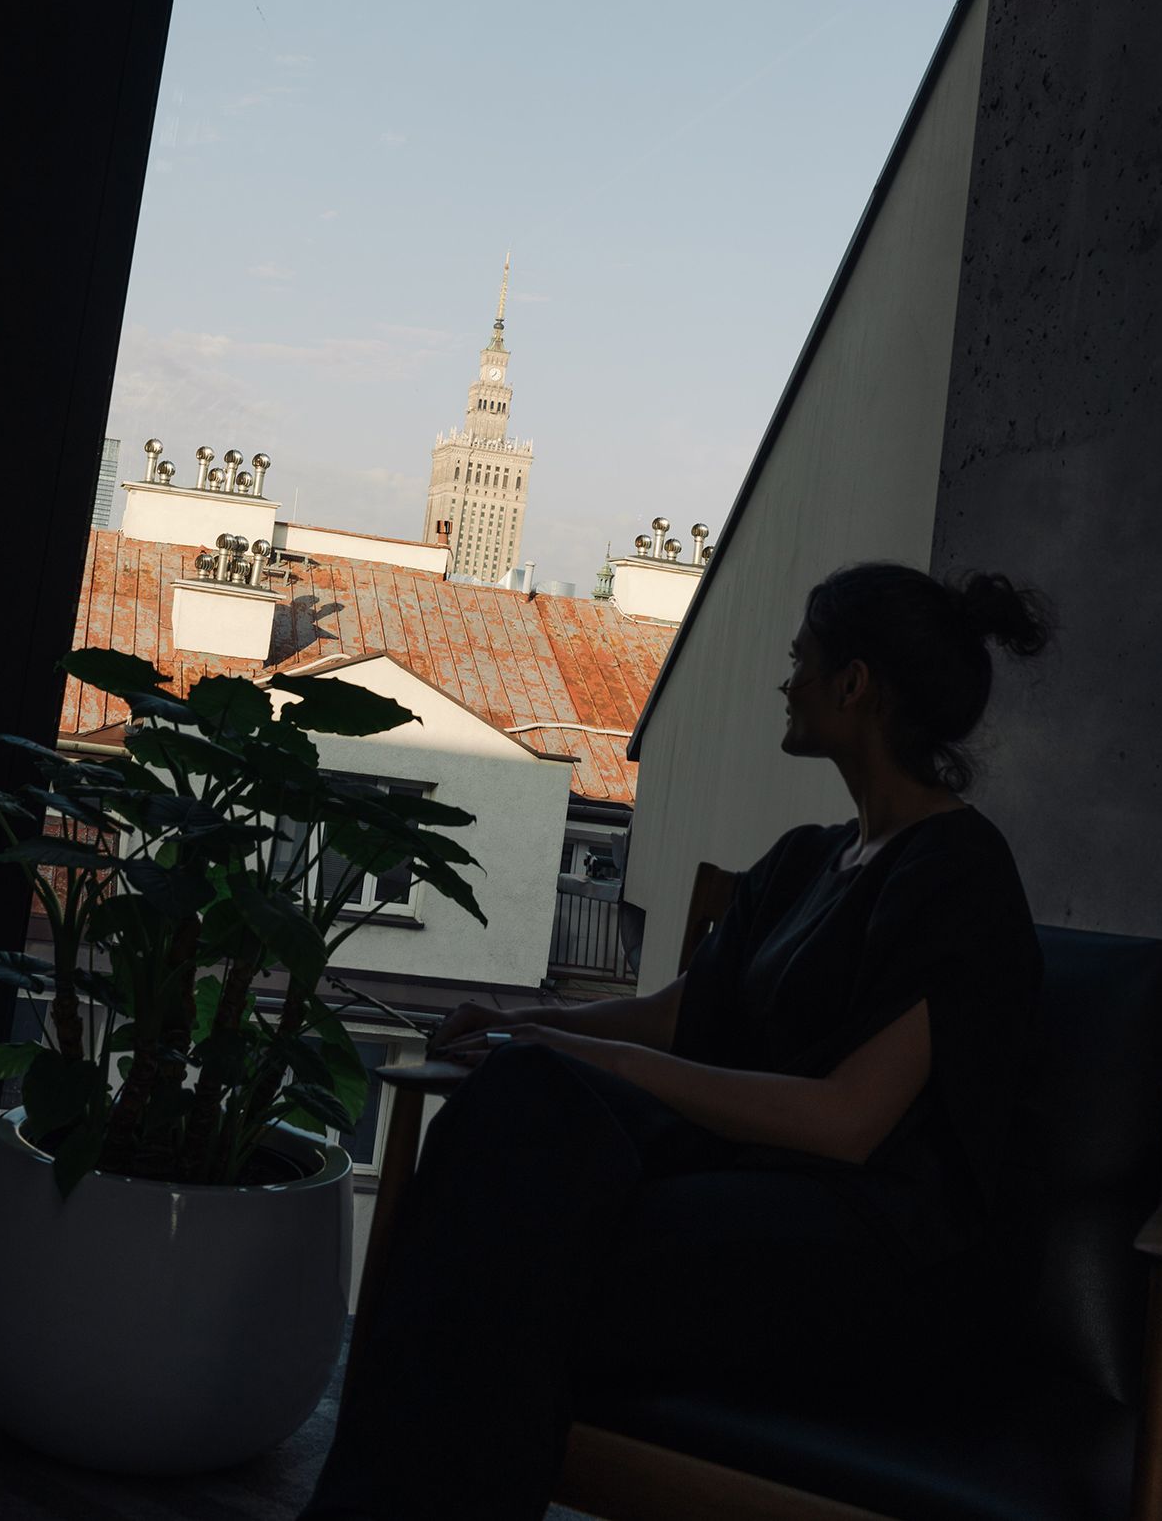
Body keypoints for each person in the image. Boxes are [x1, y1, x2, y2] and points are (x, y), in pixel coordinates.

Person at [298, 562, 1053, 1521]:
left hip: (872, 1255)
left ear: (856, 686)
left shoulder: (960, 877)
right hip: (745, 1194)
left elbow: (847, 1123)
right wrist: (531, 1026)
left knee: (504, 1268)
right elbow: (677, 1015)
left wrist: (595, 1058)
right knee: (521, 1112)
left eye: (801, 662)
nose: (787, 682)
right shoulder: (809, 861)